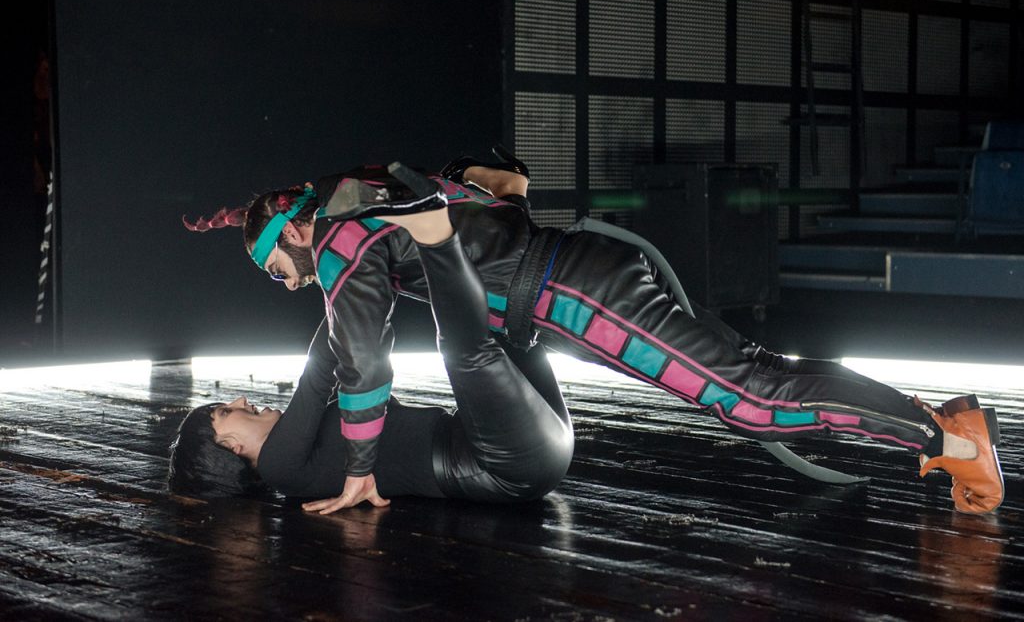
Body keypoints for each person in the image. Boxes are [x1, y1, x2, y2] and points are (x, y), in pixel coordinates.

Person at [181, 152, 1004, 514]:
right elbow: (499, 179)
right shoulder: (371, 197)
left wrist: (361, 468)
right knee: (756, 376)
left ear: (294, 232)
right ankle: (944, 420)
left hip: (576, 296)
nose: (290, 283)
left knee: (754, 401)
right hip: (577, 279)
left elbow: (363, 360)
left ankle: (954, 441)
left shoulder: (340, 237)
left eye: (277, 268)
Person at [169, 165, 573, 509]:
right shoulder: (279, 469)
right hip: (505, 464)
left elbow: (337, 347)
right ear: (231, 447)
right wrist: (348, 286)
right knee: (462, 346)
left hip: (534, 440)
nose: (240, 401)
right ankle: (438, 232)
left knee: (506, 315)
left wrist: (354, 283)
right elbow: (319, 374)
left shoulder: (304, 450)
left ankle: (511, 201)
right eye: (225, 412)